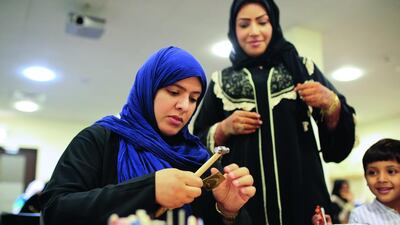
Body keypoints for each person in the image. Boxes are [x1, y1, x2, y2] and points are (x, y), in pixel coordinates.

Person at [40, 46, 256, 225]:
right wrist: (149, 189)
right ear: (148, 89)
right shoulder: (100, 140)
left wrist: (229, 211)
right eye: (174, 92)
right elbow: (54, 212)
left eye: (193, 99)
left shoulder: (199, 157)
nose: (184, 106)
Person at [193, 0, 356, 224]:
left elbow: (338, 145)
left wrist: (331, 103)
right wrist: (224, 128)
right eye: (244, 24)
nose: (254, 32)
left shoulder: (302, 68)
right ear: (234, 30)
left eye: (262, 22)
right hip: (245, 205)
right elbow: (196, 144)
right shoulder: (221, 81)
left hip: (303, 198)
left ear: (274, 25)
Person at [312, 138, 400, 225]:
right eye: (372, 172)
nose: (381, 179)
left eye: (391, 171)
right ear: (365, 177)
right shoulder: (360, 216)